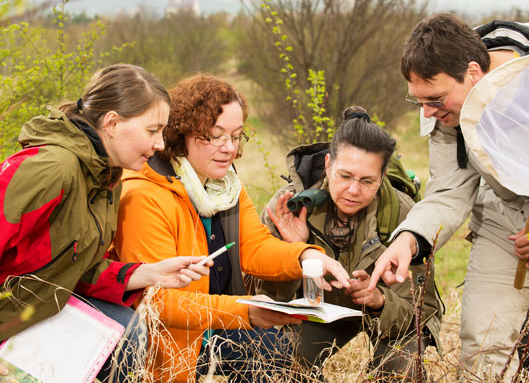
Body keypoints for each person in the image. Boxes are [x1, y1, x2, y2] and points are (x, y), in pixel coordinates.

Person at [367, 13, 529, 381]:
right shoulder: (444, 100)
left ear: (474, 72)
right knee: (483, 344)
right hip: (504, 212)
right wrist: (408, 241)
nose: (427, 112)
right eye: (419, 101)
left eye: (435, 100)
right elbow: (449, 188)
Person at [113, 73, 351, 383]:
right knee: (268, 351)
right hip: (169, 343)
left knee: (279, 353)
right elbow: (157, 302)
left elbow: (252, 247)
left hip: (214, 325)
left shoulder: (224, 185)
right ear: (182, 132)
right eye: (214, 136)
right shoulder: (145, 195)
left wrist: (305, 256)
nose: (229, 148)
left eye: (236, 136)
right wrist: (246, 311)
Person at [0, 64, 213, 381]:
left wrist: (148, 273)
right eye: (152, 131)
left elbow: (73, 266)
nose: (160, 145)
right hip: (12, 321)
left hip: (42, 310)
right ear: (112, 122)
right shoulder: (49, 169)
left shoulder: (106, 178)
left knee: (128, 333)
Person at [258, 106, 442, 380]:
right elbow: (267, 304)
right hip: (317, 314)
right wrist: (295, 253)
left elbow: (421, 312)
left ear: (381, 178)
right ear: (329, 164)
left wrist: (379, 301)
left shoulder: (404, 216)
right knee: (276, 361)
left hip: (384, 315)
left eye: (367, 181)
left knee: (401, 368)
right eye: (345, 176)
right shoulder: (289, 207)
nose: (354, 191)